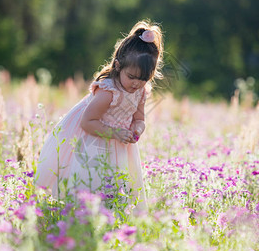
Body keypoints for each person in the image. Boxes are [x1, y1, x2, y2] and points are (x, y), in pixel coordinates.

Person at [35, 20, 164, 212]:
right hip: (94, 139)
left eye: (143, 79)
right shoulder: (108, 92)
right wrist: (115, 133)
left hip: (119, 142)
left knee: (116, 183)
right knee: (91, 180)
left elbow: (139, 118)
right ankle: (80, 215)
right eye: (132, 77)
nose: (137, 83)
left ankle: (108, 215)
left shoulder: (141, 91)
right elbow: (87, 122)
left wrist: (137, 128)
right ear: (119, 66)